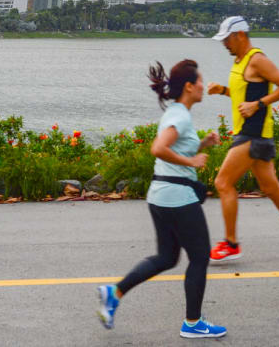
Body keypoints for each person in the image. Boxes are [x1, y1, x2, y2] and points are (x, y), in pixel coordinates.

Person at [97, 59, 227, 339]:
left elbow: (173, 147)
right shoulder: (180, 116)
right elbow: (158, 148)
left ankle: (114, 293)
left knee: (167, 257)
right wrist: (191, 161)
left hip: (160, 195)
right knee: (200, 256)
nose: (203, 85)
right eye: (200, 81)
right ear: (189, 86)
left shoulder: (177, 113)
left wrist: (202, 144)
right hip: (178, 197)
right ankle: (193, 323)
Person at [206, 16, 279, 263]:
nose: (224, 44)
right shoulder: (239, 61)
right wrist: (223, 91)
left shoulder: (257, 59)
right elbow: (244, 96)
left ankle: (231, 244)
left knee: (223, 182)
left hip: (253, 134)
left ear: (240, 35)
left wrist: (258, 104)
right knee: (271, 188)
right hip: (252, 133)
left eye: (227, 39)